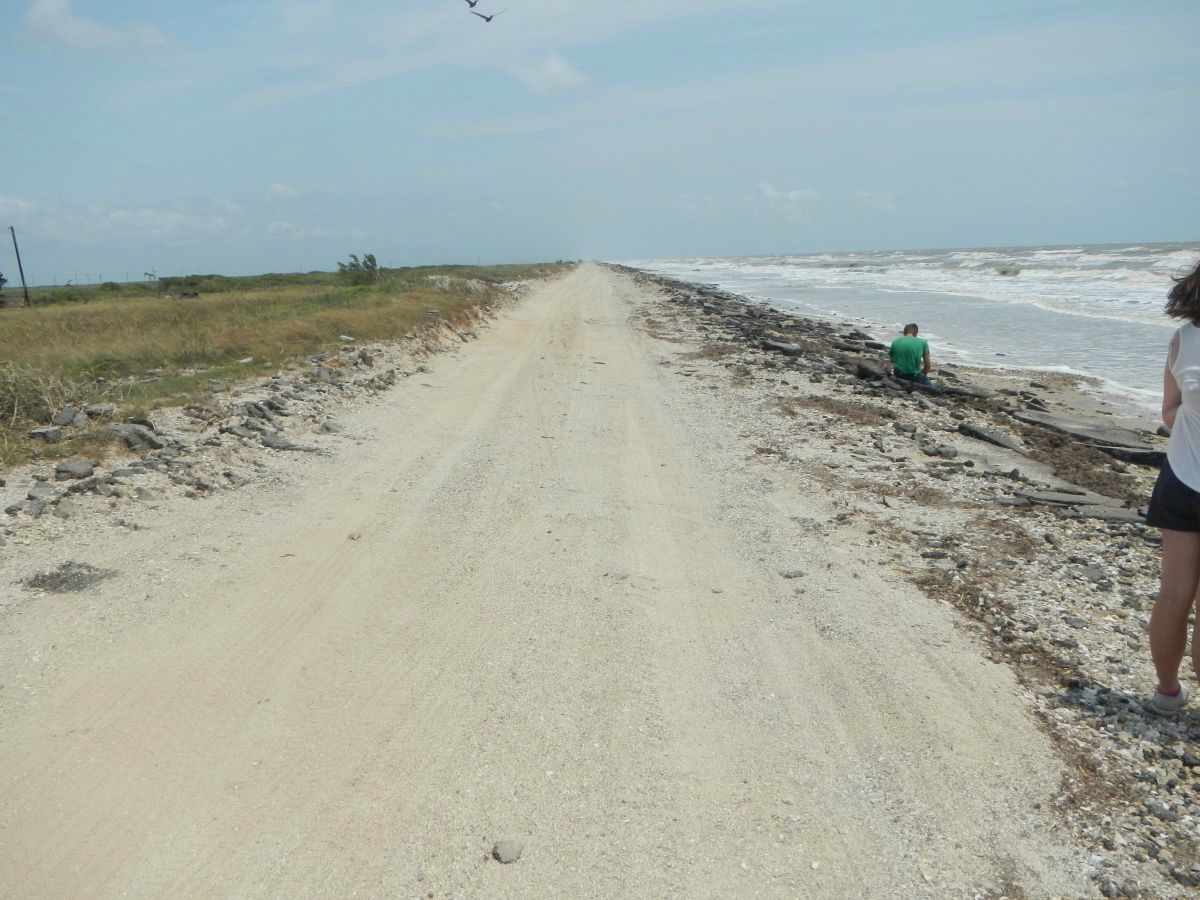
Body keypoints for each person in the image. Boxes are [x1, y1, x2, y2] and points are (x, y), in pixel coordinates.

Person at [1146, 257, 1200, 714]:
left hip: (1182, 478)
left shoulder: (1183, 340)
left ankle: (1167, 692)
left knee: (1173, 592)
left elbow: (1169, 412)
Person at [889, 323, 937, 389]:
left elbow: (892, 360)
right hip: (914, 376)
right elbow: (927, 365)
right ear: (916, 333)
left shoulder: (895, 342)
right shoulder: (923, 343)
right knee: (936, 386)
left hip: (898, 375)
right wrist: (924, 375)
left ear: (904, 332)